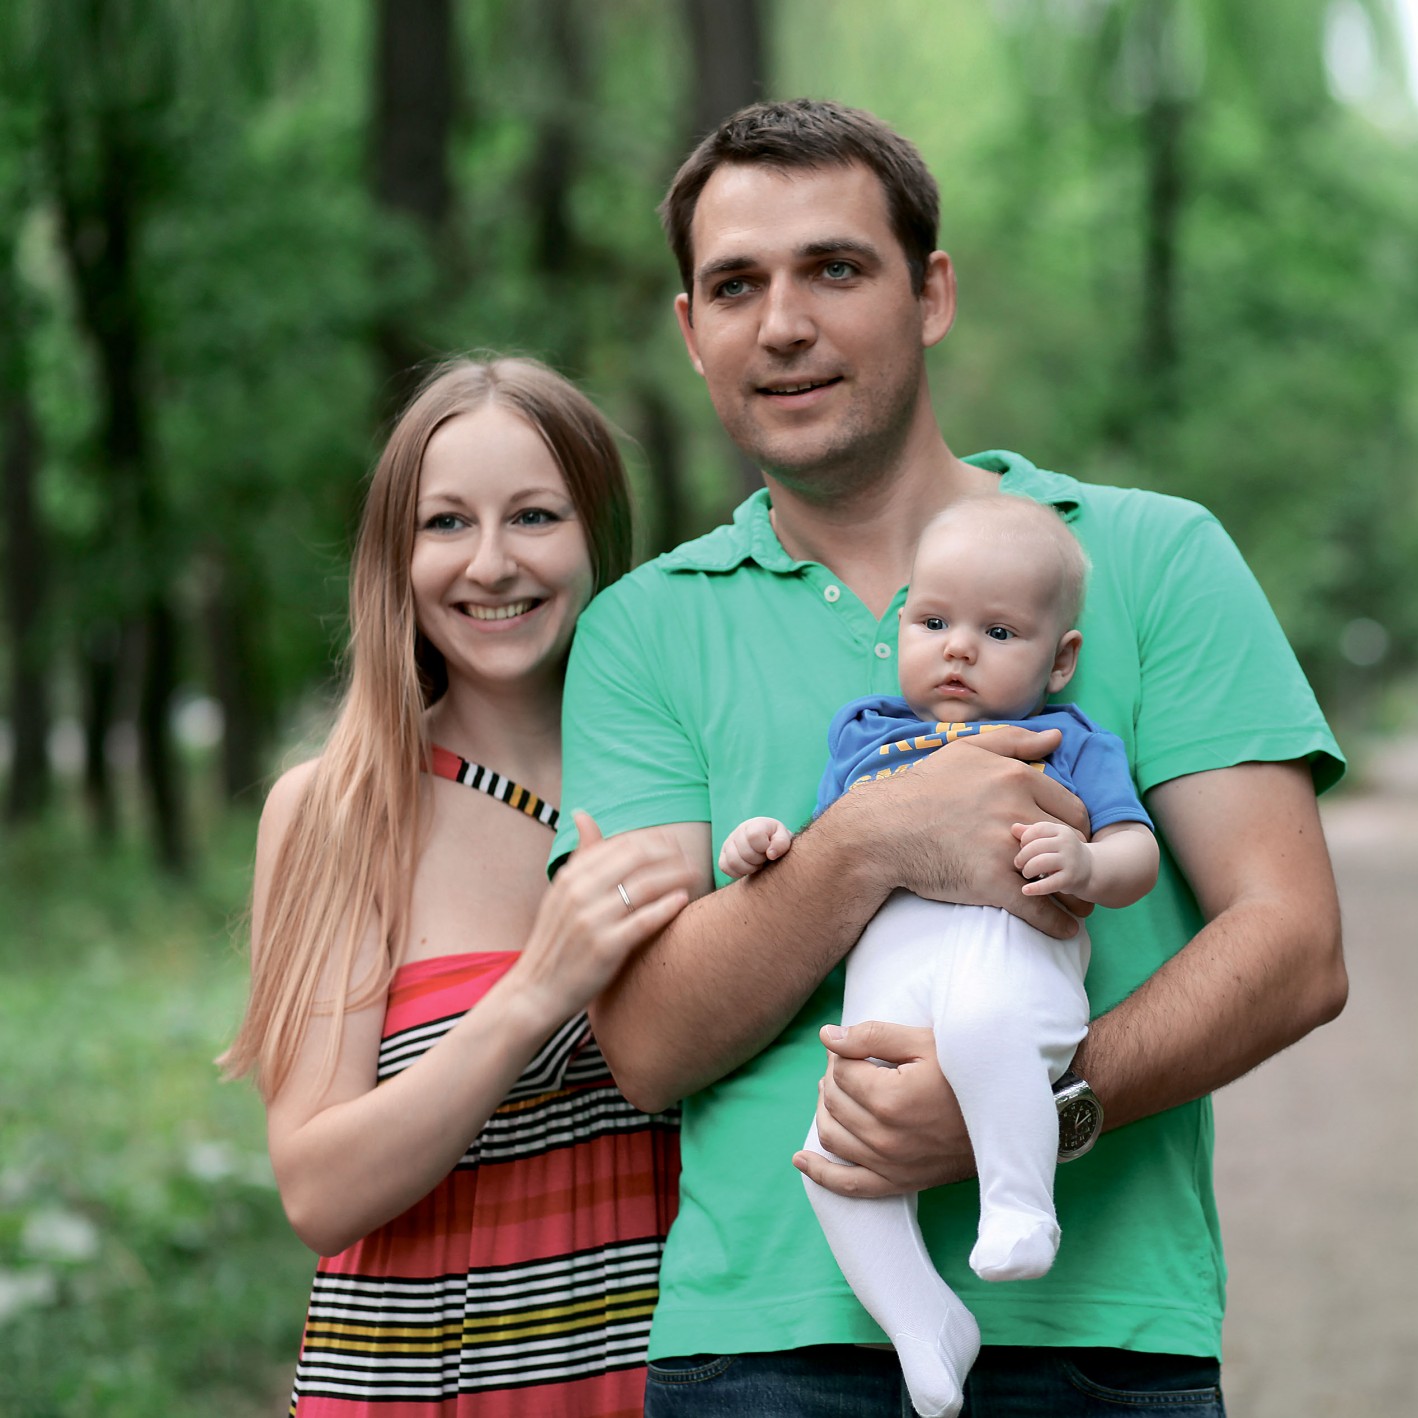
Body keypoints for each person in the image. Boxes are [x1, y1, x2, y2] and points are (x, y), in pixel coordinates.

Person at [555, 99, 1347, 1416]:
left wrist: (1047, 1103)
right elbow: (646, 1042)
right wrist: (873, 837)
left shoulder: (1152, 557)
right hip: (759, 1353)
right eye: (736, 285)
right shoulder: (645, 629)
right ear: (691, 331)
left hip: (1100, 1342)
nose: (783, 323)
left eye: (835, 268)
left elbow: (1294, 944)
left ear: (930, 293)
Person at [219, 356, 696, 1415]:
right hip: (424, 1382)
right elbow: (318, 1189)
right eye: (445, 523)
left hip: (673, 1379)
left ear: (598, 534)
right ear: (397, 555)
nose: (490, 562)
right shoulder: (341, 810)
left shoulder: (689, 776)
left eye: (533, 515)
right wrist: (535, 991)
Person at [718, 494, 1160, 1417]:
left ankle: (1019, 1206)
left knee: (981, 1028)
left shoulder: (1071, 742)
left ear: (1060, 658)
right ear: (901, 626)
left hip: (1007, 960)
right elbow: (828, 850)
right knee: (832, 1160)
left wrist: (1087, 862)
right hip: (888, 985)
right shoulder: (865, 735)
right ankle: (924, 1324)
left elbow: (1137, 854)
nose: (958, 648)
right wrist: (766, 843)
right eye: (933, 622)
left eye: (998, 631)